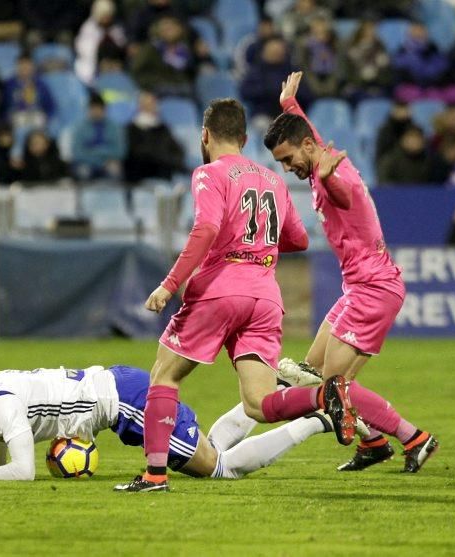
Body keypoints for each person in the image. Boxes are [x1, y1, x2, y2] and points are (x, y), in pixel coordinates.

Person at [115, 98, 355, 493]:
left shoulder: (209, 173)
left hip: (218, 291)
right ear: (244, 139)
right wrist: (258, 243)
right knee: (259, 404)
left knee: (164, 376)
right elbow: (295, 237)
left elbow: (206, 228)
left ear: (205, 135)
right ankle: (322, 395)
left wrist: (169, 284)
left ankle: (154, 475)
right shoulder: (272, 178)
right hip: (264, 296)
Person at [264, 72, 439, 473]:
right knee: (309, 375)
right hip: (358, 288)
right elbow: (308, 138)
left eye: (288, 159)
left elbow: (344, 193)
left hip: (373, 290)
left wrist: (329, 180)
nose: (288, 167)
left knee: (332, 387)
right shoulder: (318, 155)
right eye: (281, 162)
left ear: (307, 148)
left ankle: (415, 438)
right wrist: (290, 105)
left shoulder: (333, 175)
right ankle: (373, 443)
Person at [0, 364, 333, 481]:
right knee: (207, 450)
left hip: (128, 402)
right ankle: (274, 388)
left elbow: (23, 471)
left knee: (220, 468)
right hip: (119, 390)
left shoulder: (3, 408)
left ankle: (318, 419)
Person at [124, 90, 184, 183]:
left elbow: (177, 149)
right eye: (148, 103)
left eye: (153, 102)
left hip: (164, 169)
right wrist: (164, 158)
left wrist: (172, 160)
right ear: (140, 106)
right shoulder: (132, 128)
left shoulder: (162, 127)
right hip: (141, 174)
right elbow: (136, 152)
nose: (152, 106)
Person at [70, 93, 126, 181]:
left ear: (104, 110)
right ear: (88, 110)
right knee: (82, 171)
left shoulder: (115, 127)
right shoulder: (79, 128)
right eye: (93, 108)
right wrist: (100, 157)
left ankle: (113, 195)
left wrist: (94, 152)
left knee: (115, 170)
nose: (96, 111)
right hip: (86, 163)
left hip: (108, 163)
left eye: (99, 108)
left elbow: (120, 151)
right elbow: (77, 152)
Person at [0, 54, 56, 131]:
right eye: (22, 65)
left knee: (39, 121)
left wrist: (47, 117)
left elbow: (50, 105)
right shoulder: (9, 85)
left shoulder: (41, 85)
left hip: (36, 115)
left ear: (33, 67)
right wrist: (5, 119)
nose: (25, 68)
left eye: (27, 65)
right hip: (16, 116)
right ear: (17, 67)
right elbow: (2, 106)